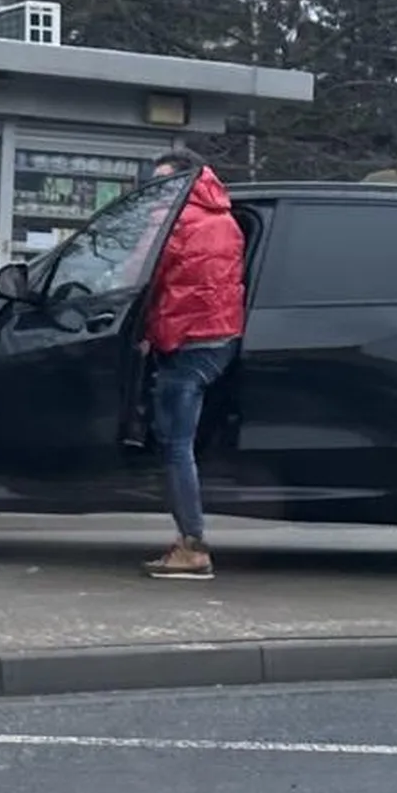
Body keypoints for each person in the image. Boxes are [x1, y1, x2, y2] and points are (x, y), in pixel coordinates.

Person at [139, 148, 246, 580]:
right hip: (222, 338)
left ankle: (193, 545)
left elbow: (142, 276)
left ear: (184, 182)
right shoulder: (226, 219)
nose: (157, 190)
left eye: (164, 182)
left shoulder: (171, 222)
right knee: (181, 438)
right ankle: (188, 539)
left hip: (186, 341)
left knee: (175, 445)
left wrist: (144, 333)